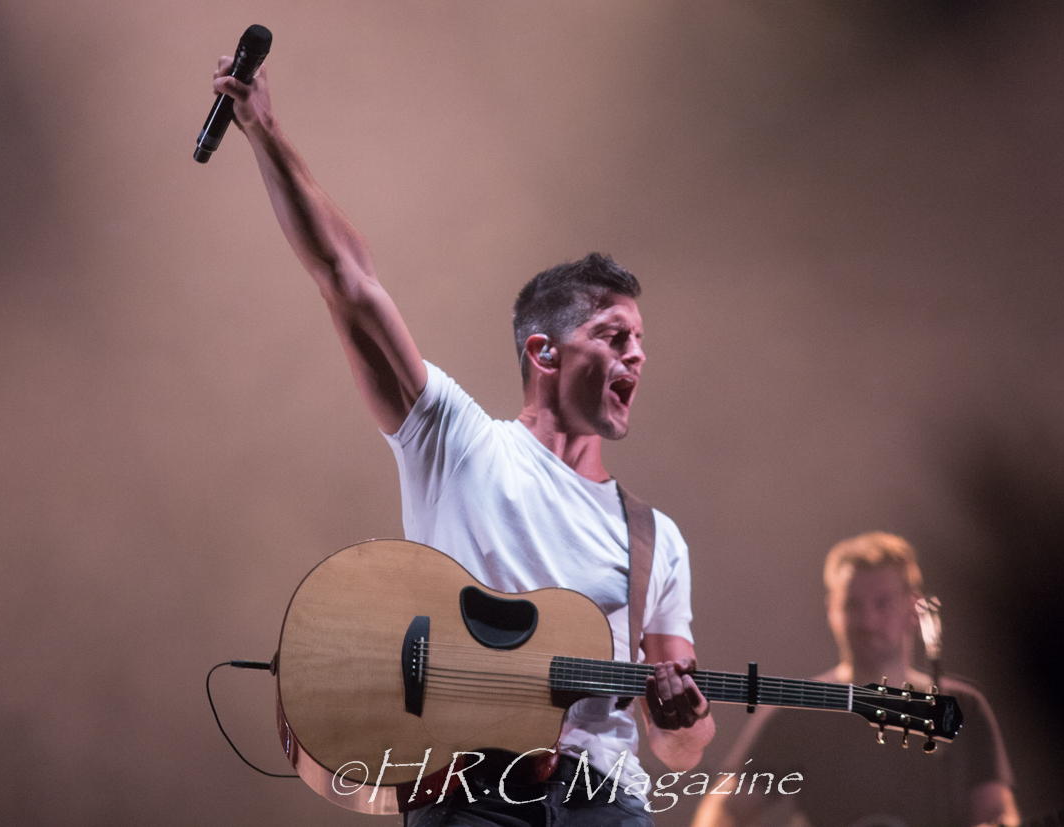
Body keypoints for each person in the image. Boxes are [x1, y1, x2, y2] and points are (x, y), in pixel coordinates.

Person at [212, 55, 715, 826]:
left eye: (642, 341)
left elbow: (681, 747)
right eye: (614, 335)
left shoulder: (656, 539)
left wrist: (685, 717)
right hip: (467, 792)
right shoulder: (458, 441)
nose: (637, 355)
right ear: (544, 352)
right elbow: (348, 278)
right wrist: (265, 130)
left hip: (604, 799)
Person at [691, 532, 1018, 827]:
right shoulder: (801, 711)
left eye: (883, 603)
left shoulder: (963, 708)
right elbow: (725, 808)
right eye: (852, 605)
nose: (868, 621)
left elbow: (995, 810)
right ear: (831, 609)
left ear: (914, 607)